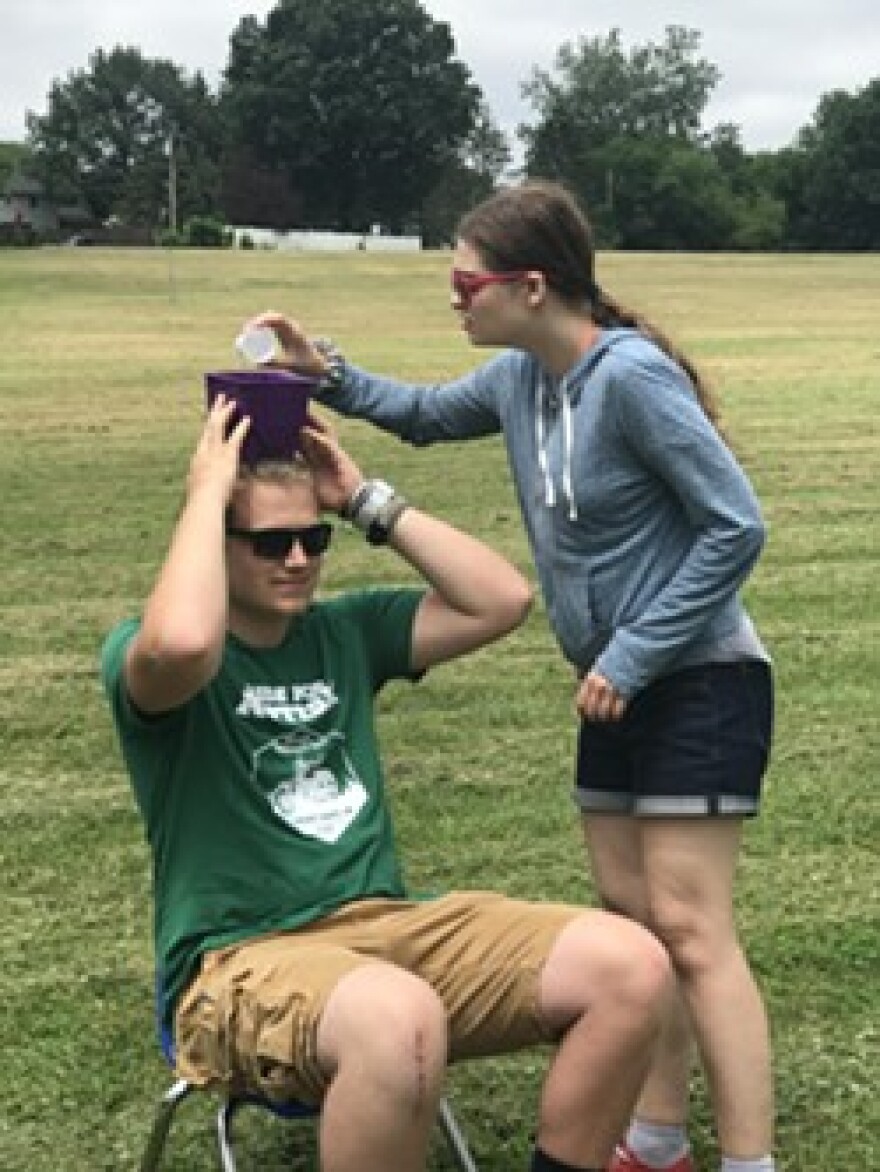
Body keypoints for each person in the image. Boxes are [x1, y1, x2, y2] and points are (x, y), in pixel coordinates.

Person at [245, 179, 777, 1172]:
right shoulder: (518, 382)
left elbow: (735, 524)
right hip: (613, 688)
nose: (454, 298)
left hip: (697, 676)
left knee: (692, 930)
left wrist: (631, 651)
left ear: (530, 286)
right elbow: (418, 413)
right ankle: (655, 1142)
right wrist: (329, 374)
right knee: (632, 926)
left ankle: (750, 1160)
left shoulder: (630, 379)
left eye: (464, 280)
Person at [100, 393, 672, 1172]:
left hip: (389, 929)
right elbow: (183, 640)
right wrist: (205, 491)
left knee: (630, 966)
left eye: (312, 537)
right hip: (236, 962)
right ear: (215, 542)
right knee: (396, 1013)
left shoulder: (347, 631)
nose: (298, 559)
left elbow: (501, 599)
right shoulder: (149, 656)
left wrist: (366, 501)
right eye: (270, 543)